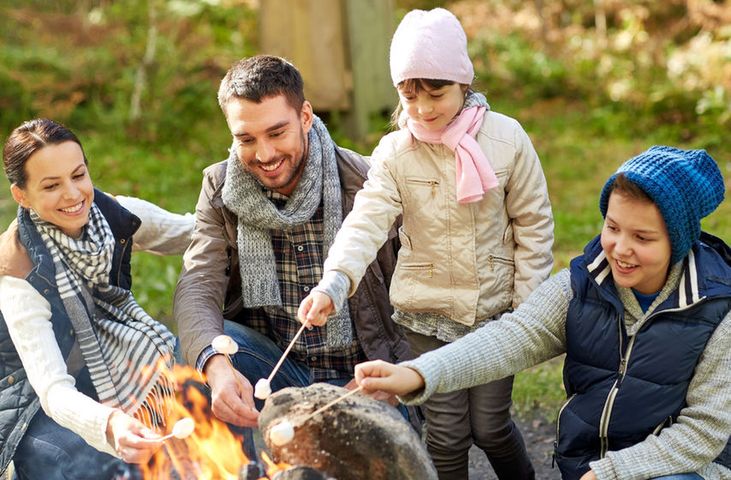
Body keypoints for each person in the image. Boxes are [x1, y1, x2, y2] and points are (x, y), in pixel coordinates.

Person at [354, 146, 731, 480]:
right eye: (612, 227)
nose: (619, 248)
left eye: (642, 237)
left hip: (682, 470)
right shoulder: (582, 286)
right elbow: (512, 337)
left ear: (678, 240)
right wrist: (416, 373)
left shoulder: (717, 309)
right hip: (590, 465)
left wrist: (611, 473)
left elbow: (703, 432)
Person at [299, 7, 553, 480]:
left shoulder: (508, 139)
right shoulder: (397, 151)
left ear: (462, 81)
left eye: (436, 94)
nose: (422, 109)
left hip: (497, 312)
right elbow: (366, 220)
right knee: (446, 433)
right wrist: (335, 280)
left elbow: (534, 226)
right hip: (427, 313)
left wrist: (529, 312)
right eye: (409, 96)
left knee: (491, 427)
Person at [173, 55, 412, 432]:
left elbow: (425, 299)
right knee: (204, 350)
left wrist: (397, 376)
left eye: (277, 132)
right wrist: (216, 368)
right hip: (275, 369)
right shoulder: (220, 188)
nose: (264, 155)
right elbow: (198, 283)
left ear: (305, 116)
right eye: (246, 139)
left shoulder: (370, 182)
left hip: (367, 377)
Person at [0, 118, 194, 480]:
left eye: (78, 175)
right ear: (21, 195)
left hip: (105, 367)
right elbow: (52, 390)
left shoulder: (114, 217)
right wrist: (110, 424)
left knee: (203, 404)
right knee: (102, 468)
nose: (73, 194)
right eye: (52, 185)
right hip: (30, 400)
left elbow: (198, 233)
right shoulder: (17, 273)